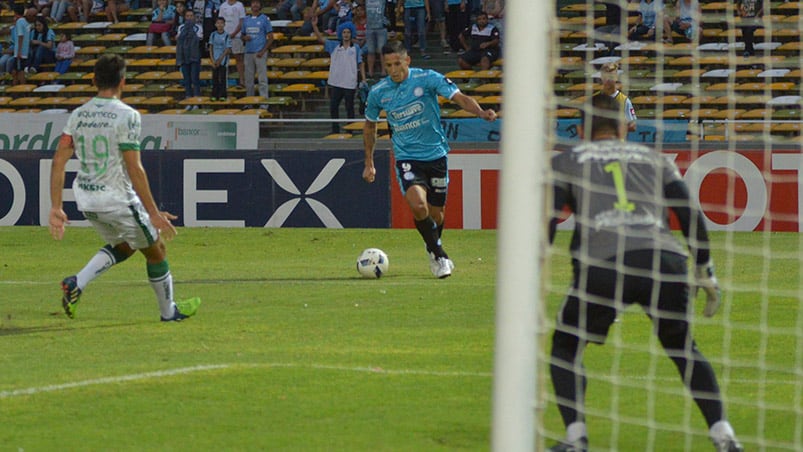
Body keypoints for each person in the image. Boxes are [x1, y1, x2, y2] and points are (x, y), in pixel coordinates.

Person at [546, 93, 743, 452]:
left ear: (583, 128)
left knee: (565, 345)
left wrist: (538, 261)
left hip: (604, 265)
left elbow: (549, 216)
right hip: (663, 263)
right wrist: (704, 268)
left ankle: (576, 439)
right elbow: (688, 213)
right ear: (624, 126)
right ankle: (723, 433)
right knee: (683, 347)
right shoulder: (655, 158)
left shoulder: (567, 160)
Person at [48, 54, 201, 323]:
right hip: (116, 199)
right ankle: (169, 312)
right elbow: (134, 168)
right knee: (157, 251)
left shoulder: (78, 115)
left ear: (94, 80)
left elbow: (59, 160)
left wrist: (56, 207)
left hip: (86, 199)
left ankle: (77, 283)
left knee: (125, 245)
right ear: (123, 82)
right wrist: (153, 213)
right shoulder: (127, 116)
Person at [362, 40, 497, 278]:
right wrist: (369, 162)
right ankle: (440, 255)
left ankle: (432, 245)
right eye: (388, 65)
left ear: (407, 61)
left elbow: (459, 98)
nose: (393, 70)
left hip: (436, 155)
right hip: (407, 157)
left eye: (397, 64)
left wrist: (481, 112)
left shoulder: (427, 79)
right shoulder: (378, 92)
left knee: (437, 213)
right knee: (418, 204)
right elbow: (370, 126)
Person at [312, 19, 365, 134]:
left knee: (349, 108)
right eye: (344, 32)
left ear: (352, 33)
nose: (346, 35)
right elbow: (321, 39)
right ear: (340, 33)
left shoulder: (356, 48)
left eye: (348, 32)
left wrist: (364, 79)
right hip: (336, 81)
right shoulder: (333, 45)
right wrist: (315, 26)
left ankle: (350, 130)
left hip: (350, 82)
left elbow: (360, 63)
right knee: (333, 107)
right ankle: (335, 130)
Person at [241, 0, 273, 104]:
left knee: (262, 79)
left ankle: (264, 102)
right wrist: (245, 37)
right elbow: (242, 35)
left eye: (257, 3)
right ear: (250, 6)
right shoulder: (246, 20)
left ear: (260, 5)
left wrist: (263, 51)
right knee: (249, 79)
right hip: (248, 52)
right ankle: (249, 102)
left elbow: (271, 38)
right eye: (253, 3)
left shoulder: (265, 19)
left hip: (260, 53)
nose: (255, 5)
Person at [597, 62, 637, 133]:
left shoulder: (624, 101)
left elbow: (633, 127)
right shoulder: (595, 99)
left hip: (618, 143)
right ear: (601, 78)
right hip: (599, 142)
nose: (608, 80)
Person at [176, 8, 203, 107]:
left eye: (191, 16)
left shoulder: (198, 27)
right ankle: (188, 100)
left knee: (195, 79)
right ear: (184, 17)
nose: (189, 18)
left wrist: (189, 30)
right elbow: (179, 38)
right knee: (186, 80)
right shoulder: (181, 27)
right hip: (183, 56)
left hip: (194, 56)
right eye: (187, 16)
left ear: (194, 17)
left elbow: (198, 38)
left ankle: (196, 100)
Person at [218, 0, 246, 88]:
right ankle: (223, 82)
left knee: (239, 58)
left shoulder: (239, 5)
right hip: (224, 37)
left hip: (236, 36)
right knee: (223, 60)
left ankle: (242, 81)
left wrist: (234, 33)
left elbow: (242, 21)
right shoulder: (223, 6)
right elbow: (220, 21)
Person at [208, 16, 231, 101]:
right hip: (215, 59)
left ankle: (223, 95)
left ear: (224, 24)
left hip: (223, 60)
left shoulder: (227, 35)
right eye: (218, 23)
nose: (220, 25)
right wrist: (213, 60)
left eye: (221, 23)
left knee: (222, 78)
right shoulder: (213, 34)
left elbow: (227, 49)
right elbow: (211, 47)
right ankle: (214, 94)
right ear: (215, 24)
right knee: (215, 78)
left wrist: (220, 59)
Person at [364, 0, 388, 79]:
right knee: (370, 51)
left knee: (382, 51)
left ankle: (384, 71)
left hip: (381, 27)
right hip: (369, 27)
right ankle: (370, 72)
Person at [12, 7, 34, 86]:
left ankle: (22, 90)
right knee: (15, 71)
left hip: (20, 52)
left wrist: (19, 51)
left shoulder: (20, 22)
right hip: (24, 51)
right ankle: (17, 89)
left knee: (19, 71)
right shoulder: (26, 22)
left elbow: (20, 36)